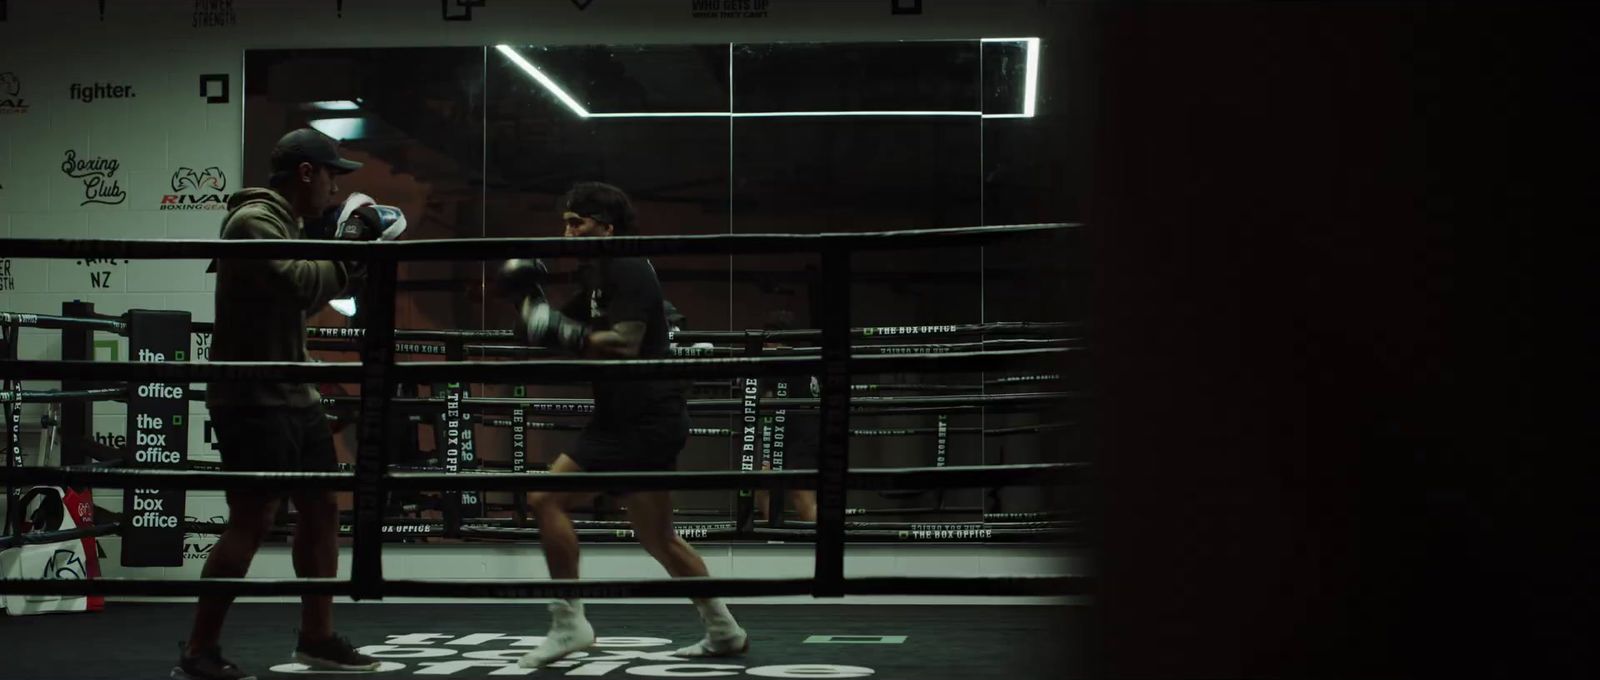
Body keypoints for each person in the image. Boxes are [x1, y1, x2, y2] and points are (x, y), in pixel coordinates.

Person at [181, 128, 404, 680]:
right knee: (253, 519)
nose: (334, 188)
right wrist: (350, 244)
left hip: (292, 391)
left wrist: (343, 248)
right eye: (332, 176)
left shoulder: (288, 225)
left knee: (324, 506)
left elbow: (297, 304)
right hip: (254, 396)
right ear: (307, 172)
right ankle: (197, 652)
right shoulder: (253, 222)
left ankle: (317, 637)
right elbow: (301, 286)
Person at [497, 181, 748, 669]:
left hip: (642, 418)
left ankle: (569, 623)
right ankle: (724, 630)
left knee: (545, 498)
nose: (567, 232)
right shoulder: (595, 273)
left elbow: (623, 342)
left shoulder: (628, 265)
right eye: (565, 222)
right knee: (658, 538)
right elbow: (538, 331)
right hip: (628, 416)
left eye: (578, 223)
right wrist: (527, 299)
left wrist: (556, 327)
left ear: (606, 227)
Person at [752, 309, 819, 523]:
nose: (767, 344)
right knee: (762, 486)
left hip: (801, 436)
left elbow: (767, 402)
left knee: (801, 495)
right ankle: (775, 537)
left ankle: (825, 544)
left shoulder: (793, 361)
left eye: (771, 339)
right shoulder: (800, 359)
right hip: (782, 433)